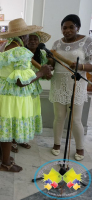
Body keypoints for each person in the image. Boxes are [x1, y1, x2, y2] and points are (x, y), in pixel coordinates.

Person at [0, 18, 52, 172]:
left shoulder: (1, 49)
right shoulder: (21, 52)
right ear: (23, 37)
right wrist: (41, 72)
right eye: (28, 35)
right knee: (9, 128)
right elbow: (21, 82)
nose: (29, 38)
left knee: (3, 124)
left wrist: (5, 77)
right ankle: (6, 163)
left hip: (1, 94)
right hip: (14, 98)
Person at [50, 14, 92, 161]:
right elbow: (53, 62)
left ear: (78, 27)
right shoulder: (56, 43)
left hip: (77, 84)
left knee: (75, 119)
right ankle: (56, 145)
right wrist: (47, 65)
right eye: (64, 27)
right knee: (59, 117)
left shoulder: (87, 42)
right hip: (58, 83)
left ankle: (80, 148)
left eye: (71, 27)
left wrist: (81, 66)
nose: (67, 30)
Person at [10, 31, 53, 153]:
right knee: (18, 115)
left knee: (28, 115)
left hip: (33, 90)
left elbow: (44, 73)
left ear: (39, 42)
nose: (33, 41)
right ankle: (13, 140)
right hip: (21, 89)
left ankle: (21, 138)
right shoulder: (21, 53)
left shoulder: (42, 55)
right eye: (30, 38)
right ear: (26, 40)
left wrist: (47, 71)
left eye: (35, 39)